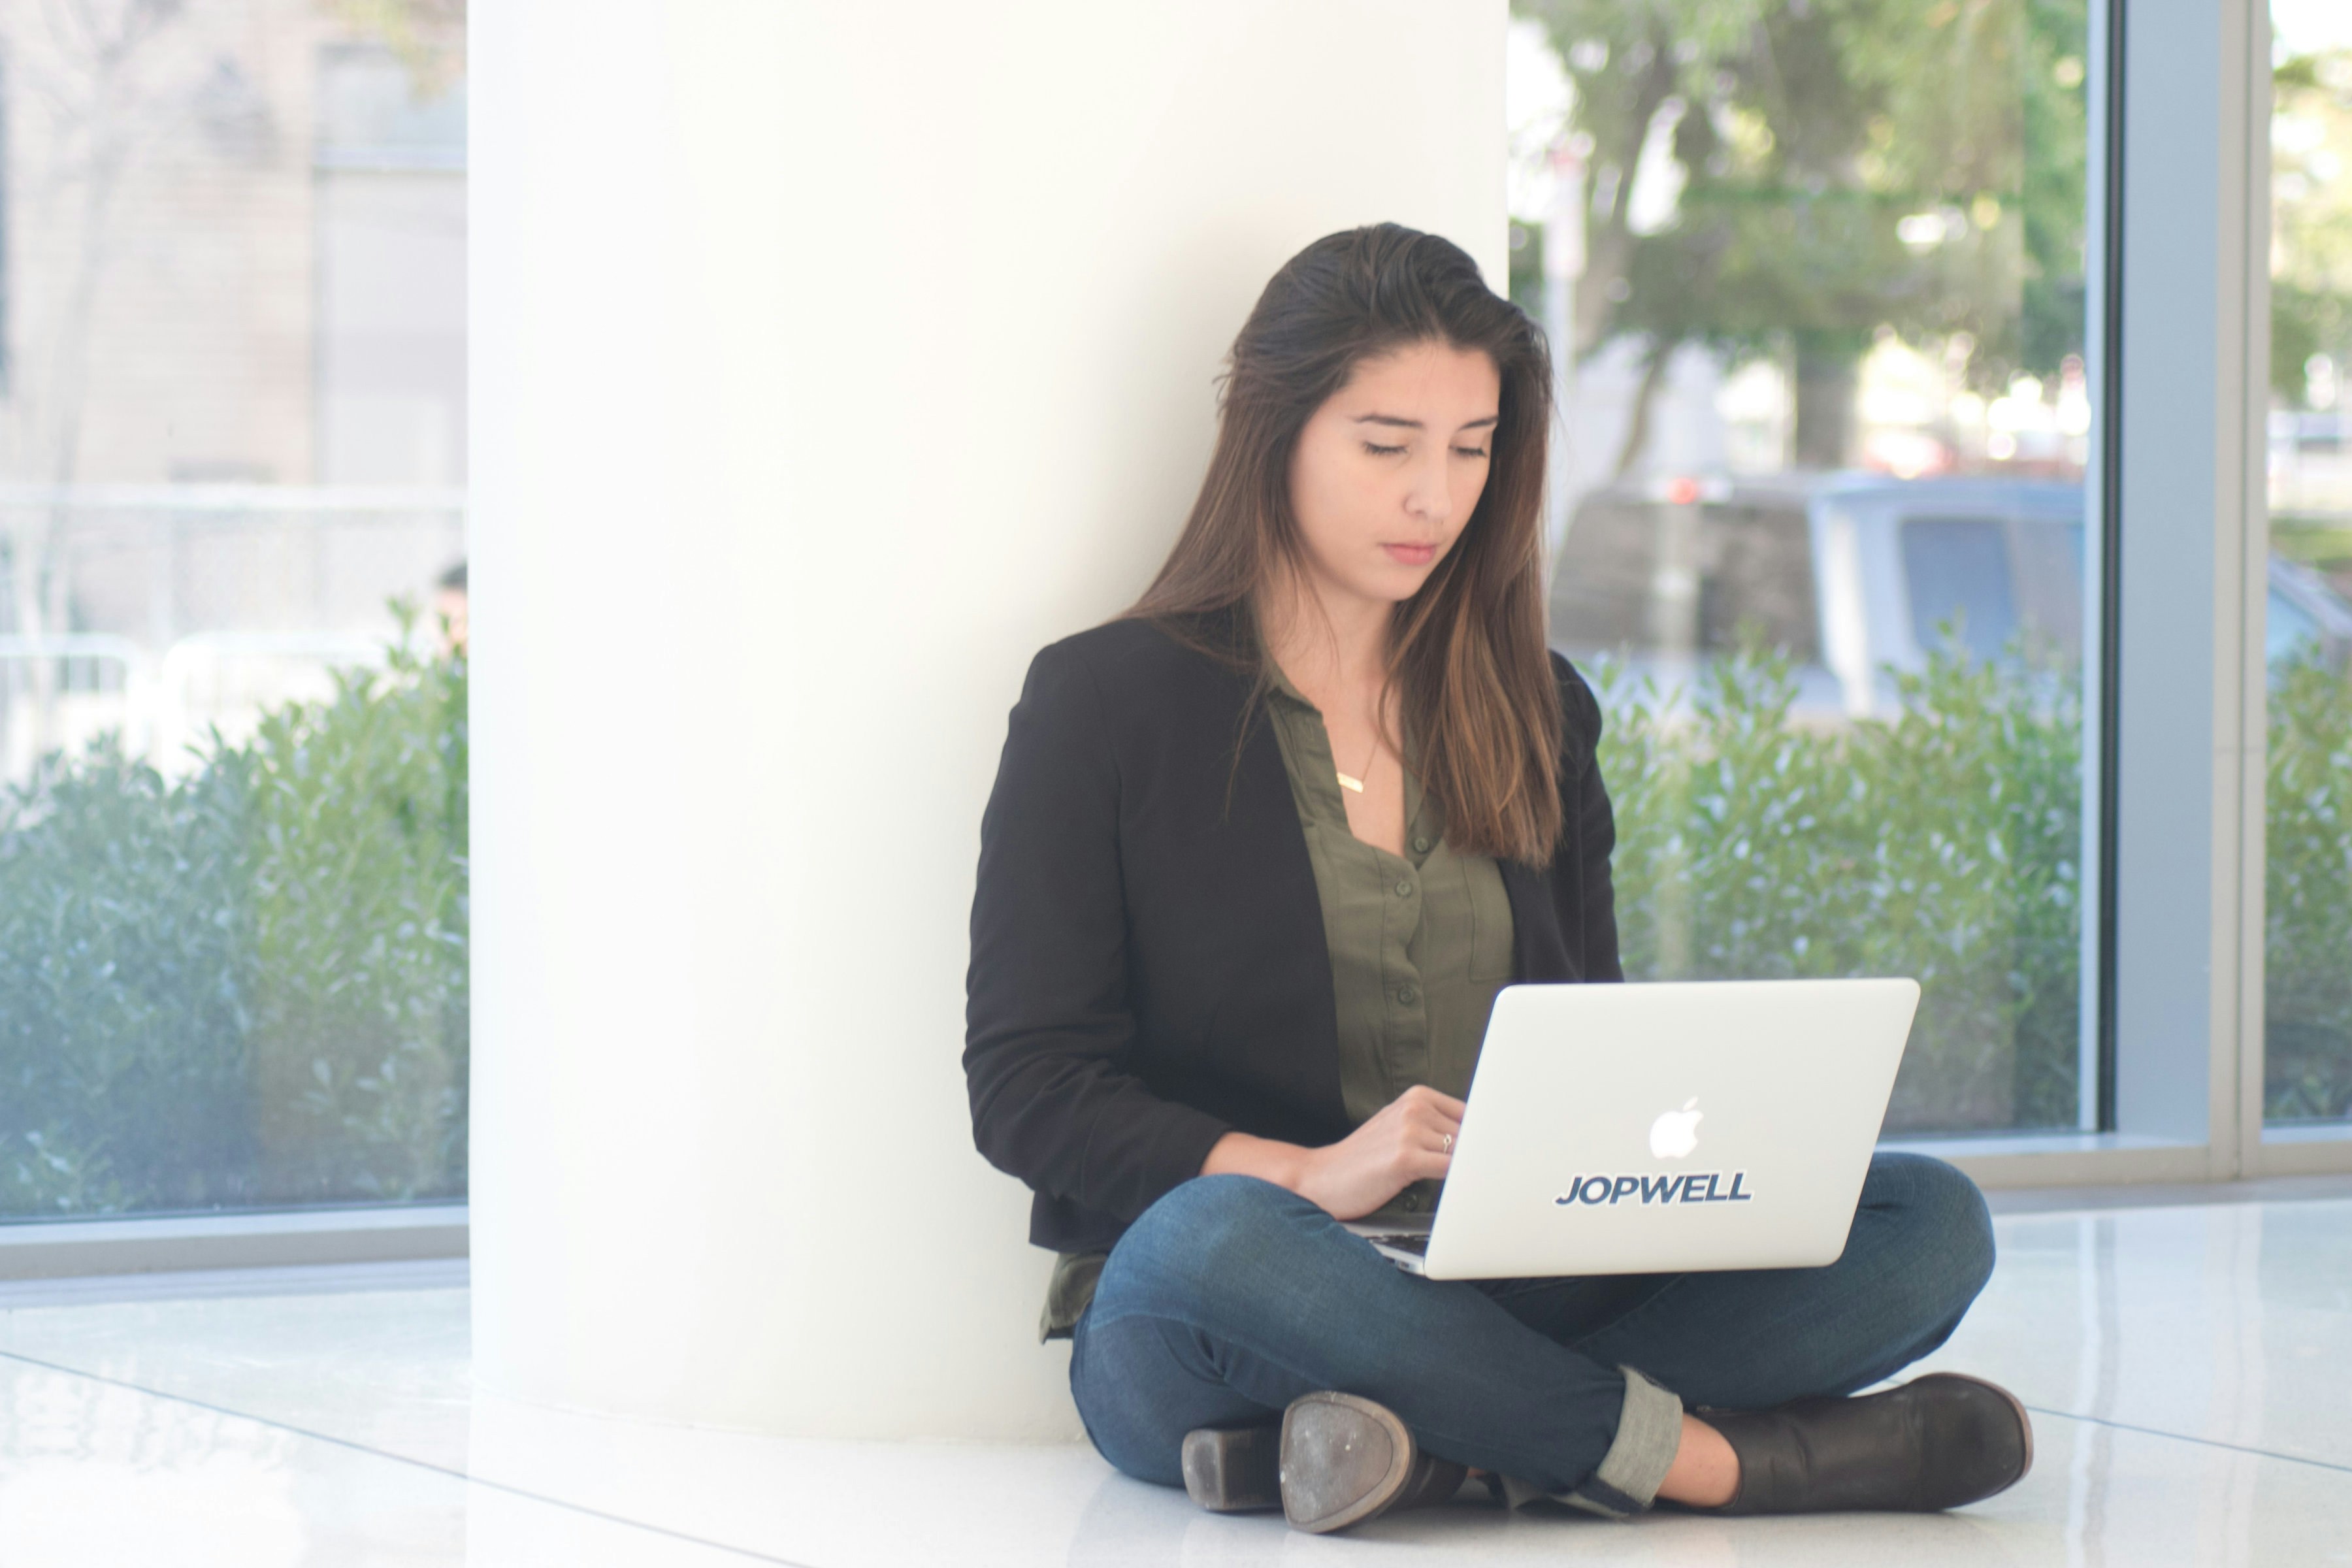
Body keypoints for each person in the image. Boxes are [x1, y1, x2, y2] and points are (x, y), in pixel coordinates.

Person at [962, 223, 2029, 1535]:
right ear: (1274, 433)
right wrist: (1311, 1176)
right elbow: (1029, 1089)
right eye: (1387, 444)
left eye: (1471, 450)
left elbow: (1593, 1034)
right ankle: (1719, 1464)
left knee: (1930, 1220)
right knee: (1215, 1239)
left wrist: (1647, 1176)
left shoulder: (1534, 708)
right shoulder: (1105, 702)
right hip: (1224, 1300)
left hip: (1512, 1274)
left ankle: (1415, 1446)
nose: (1435, 496)